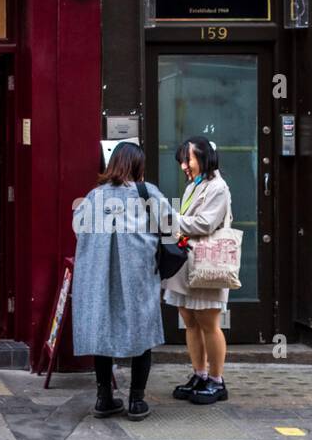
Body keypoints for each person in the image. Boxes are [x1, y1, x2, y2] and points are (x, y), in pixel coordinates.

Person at [72, 142, 174, 421]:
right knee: (142, 334)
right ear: (138, 166)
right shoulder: (147, 193)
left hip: (100, 278)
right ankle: (136, 401)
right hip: (138, 277)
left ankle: (104, 398)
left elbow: (79, 231)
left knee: (103, 334)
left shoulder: (93, 197)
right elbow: (171, 225)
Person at [162, 135, 233, 406]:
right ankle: (200, 374)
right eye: (182, 160)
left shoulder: (219, 187)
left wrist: (170, 217)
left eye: (187, 159)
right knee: (190, 321)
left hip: (206, 263)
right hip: (190, 263)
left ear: (204, 158)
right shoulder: (197, 184)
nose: (184, 165)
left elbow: (204, 224)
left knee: (208, 323)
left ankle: (217, 380)